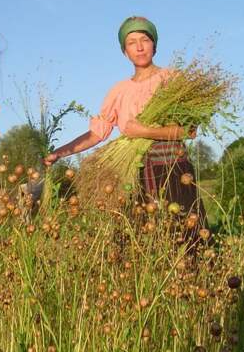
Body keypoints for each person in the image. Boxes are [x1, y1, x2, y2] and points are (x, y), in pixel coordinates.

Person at [45, 16, 207, 238]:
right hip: (134, 173)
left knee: (185, 235)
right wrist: (59, 153)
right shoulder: (118, 91)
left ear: (155, 45)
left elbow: (189, 131)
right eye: (132, 42)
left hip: (173, 168)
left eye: (145, 40)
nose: (139, 47)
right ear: (125, 52)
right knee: (140, 238)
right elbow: (96, 133)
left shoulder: (173, 80)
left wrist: (144, 132)